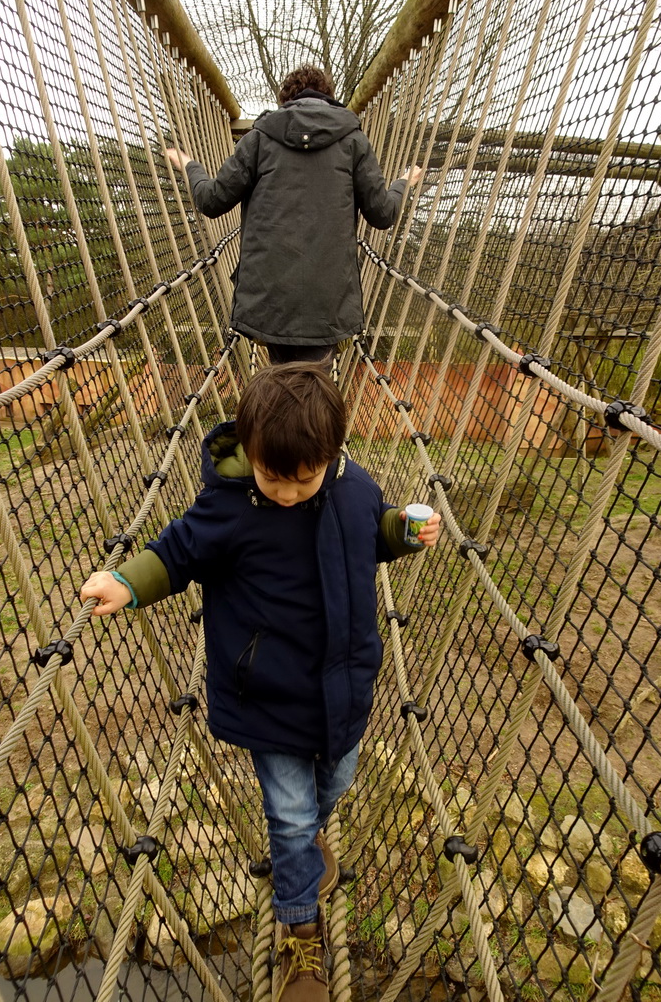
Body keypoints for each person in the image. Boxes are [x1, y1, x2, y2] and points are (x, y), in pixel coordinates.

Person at [80, 363, 441, 1002]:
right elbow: (177, 552)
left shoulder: (355, 489)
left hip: (344, 688)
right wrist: (128, 582)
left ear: (332, 458)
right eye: (274, 477)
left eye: (304, 480)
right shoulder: (231, 505)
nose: (287, 492)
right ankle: (301, 938)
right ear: (251, 455)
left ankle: (304, 852)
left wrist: (400, 531)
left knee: (335, 783)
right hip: (268, 693)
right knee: (292, 813)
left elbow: (370, 535)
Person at [167, 65, 422, 367]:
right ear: (329, 98)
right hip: (327, 301)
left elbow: (211, 201)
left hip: (269, 298)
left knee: (282, 381)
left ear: (284, 102)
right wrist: (402, 184)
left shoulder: (259, 138)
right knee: (314, 388)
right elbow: (383, 214)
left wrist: (190, 166)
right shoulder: (353, 141)